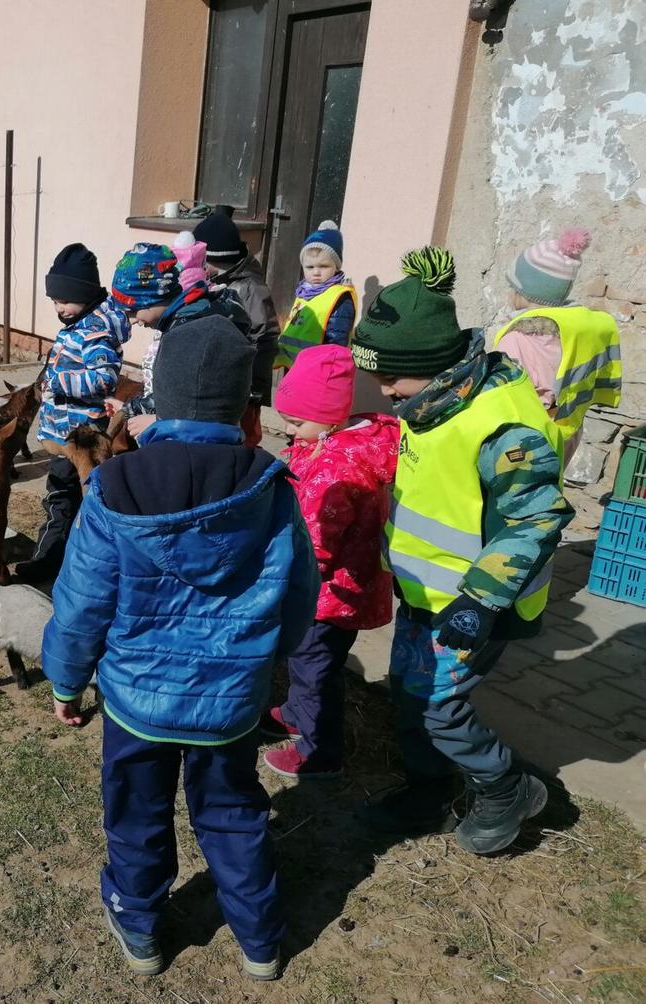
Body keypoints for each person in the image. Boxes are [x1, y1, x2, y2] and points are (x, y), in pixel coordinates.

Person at [41, 319, 320, 981]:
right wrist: (269, 662)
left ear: (157, 397)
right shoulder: (271, 489)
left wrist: (66, 682)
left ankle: (139, 926)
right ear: (244, 407)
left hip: (137, 702)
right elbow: (298, 595)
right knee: (233, 813)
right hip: (231, 702)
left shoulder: (114, 487)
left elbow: (81, 602)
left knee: (136, 811)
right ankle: (260, 941)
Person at [350, 246, 574, 855]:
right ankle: (428, 789)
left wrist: (480, 600)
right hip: (427, 593)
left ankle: (507, 788)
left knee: (440, 707)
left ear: (431, 364)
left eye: (390, 377)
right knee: (411, 691)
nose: (383, 389)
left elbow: (537, 517)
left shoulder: (502, 427)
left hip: (476, 603)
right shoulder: (432, 401)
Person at [261, 344, 397, 779]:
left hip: (328, 595)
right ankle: (296, 713)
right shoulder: (330, 443)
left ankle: (320, 750)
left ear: (331, 416)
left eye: (297, 422)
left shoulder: (334, 470)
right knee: (310, 662)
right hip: (339, 590)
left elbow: (315, 543)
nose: (288, 430)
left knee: (314, 669)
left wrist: (280, 572)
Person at [15, 242, 130, 583]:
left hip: (80, 438)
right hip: (67, 434)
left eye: (65, 300)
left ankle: (49, 561)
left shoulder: (95, 332)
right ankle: (69, 561)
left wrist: (58, 381)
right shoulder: (80, 323)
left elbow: (104, 378)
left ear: (85, 295)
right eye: (54, 301)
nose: (59, 308)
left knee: (61, 498)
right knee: (69, 500)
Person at [491, 227, 622, 461]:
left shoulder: (516, 340)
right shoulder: (576, 333)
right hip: (566, 432)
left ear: (523, 291)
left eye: (513, 286)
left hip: (524, 443)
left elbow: (498, 401)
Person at [109, 241, 249, 440]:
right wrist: (129, 408)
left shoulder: (190, 334)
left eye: (133, 311)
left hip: (195, 441)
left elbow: (194, 403)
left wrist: (159, 422)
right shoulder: (185, 318)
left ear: (153, 299)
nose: (131, 321)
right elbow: (171, 390)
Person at [193, 206, 279, 445]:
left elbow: (265, 339)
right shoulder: (216, 280)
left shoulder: (250, 290)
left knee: (242, 439)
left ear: (214, 259)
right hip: (220, 378)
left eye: (199, 260)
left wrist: (255, 391)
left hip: (244, 385)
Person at [273, 221, 357, 370]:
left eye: (323, 266)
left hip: (318, 369)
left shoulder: (339, 297)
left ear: (336, 266)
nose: (316, 272)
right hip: (295, 366)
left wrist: (327, 369)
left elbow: (336, 341)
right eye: (310, 267)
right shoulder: (304, 291)